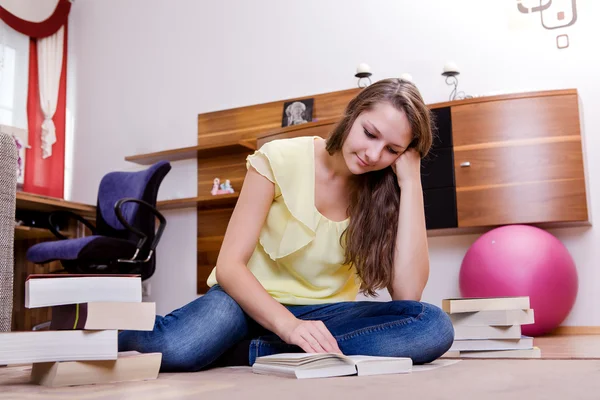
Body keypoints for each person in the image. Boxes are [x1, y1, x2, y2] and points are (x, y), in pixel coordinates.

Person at [119, 78, 455, 372]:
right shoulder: (278, 157)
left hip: (324, 316)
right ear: (353, 114)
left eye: (391, 150)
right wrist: (288, 327)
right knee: (179, 348)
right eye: (370, 134)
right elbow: (229, 267)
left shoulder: (385, 190)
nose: (373, 154)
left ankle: (254, 351)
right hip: (244, 301)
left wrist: (411, 182)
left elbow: (408, 295)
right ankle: (90, 325)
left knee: (432, 325)